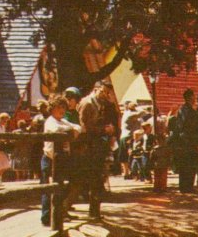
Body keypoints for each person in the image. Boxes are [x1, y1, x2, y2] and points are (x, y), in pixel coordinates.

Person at [72, 79, 116, 219]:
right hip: (86, 148)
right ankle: (63, 209)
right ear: (96, 89)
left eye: (108, 93)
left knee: (96, 180)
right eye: (103, 92)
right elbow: (85, 127)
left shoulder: (100, 104)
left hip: (95, 147)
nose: (105, 95)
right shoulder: (88, 103)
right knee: (81, 180)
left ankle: (94, 212)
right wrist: (104, 130)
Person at [41, 95, 80, 226]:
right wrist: (70, 131)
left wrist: (73, 129)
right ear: (52, 109)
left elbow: (78, 127)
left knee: (64, 185)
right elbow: (56, 130)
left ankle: (59, 212)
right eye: (59, 108)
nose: (62, 111)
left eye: (64, 108)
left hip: (62, 159)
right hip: (50, 159)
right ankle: (46, 217)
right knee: (49, 188)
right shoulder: (50, 121)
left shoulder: (63, 121)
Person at [175, 88, 198, 193]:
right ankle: (188, 186)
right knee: (191, 164)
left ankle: (183, 186)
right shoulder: (189, 111)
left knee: (184, 165)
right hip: (190, 139)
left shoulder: (182, 109)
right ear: (189, 97)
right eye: (193, 97)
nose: (194, 99)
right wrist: (197, 142)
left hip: (183, 139)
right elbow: (192, 127)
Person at [119, 101, 141, 178]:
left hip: (123, 136)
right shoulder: (130, 114)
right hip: (129, 136)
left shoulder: (125, 113)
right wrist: (138, 108)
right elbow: (142, 113)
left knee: (124, 155)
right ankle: (132, 172)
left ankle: (126, 173)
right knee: (131, 154)